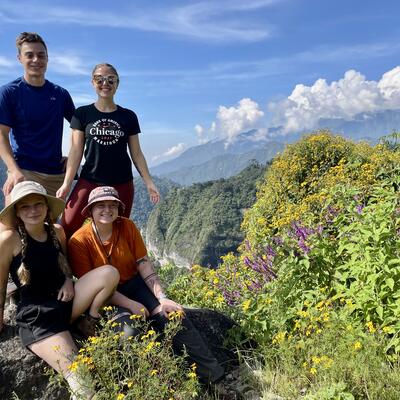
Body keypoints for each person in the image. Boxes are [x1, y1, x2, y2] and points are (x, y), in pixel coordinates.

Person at [68, 186, 225, 384]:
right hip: (105, 297)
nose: (107, 210)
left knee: (172, 316)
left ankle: (214, 377)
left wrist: (162, 297)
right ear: (90, 210)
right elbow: (92, 287)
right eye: (100, 206)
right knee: (129, 332)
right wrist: (131, 305)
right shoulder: (79, 241)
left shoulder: (127, 226)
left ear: (118, 208)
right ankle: (165, 385)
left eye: (112, 205)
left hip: (135, 284)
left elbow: (143, 263)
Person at [0, 181, 119, 400]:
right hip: (39, 317)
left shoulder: (57, 231)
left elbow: (66, 267)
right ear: (17, 212)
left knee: (110, 273)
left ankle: (87, 320)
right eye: (25, 206)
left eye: (38, 204)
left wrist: (68, 281)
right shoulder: (9, 240)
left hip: (65, 303)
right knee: (81, 381)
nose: (33, 210)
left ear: (47, 207)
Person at [56, 63, 159, 239]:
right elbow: (76, 150)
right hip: (90, 179)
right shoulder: (82, 113)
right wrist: (67, 183)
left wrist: (149, 182)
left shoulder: (128, 116)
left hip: (122, 182)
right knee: (67, 225)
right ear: (92, 82)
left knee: (118, 230)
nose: (105, 83)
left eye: (111, 79)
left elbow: (136, 153)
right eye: (99, 79)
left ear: (117, 83)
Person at [0, 32, 75, 200]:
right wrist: (13, 170)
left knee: (56, 218)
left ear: (47, 59)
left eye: (41, 55)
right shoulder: (9, 92)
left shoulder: (60, 94)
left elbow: (80, 129)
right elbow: (1, 134)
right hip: (24, 172)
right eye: (29, 55)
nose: (36, 60)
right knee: (17, 217)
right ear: (19, 58)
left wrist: (73, 156)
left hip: (56, 175)